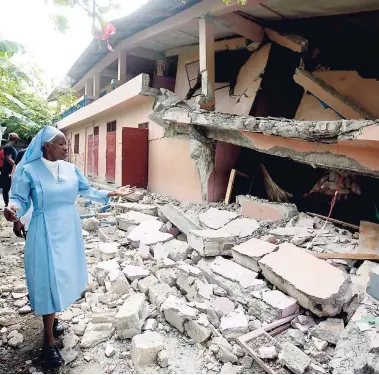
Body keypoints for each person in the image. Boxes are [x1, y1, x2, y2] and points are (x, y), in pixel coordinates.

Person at [4, 126, 135, 370]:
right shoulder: (29, 171)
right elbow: (19, 201)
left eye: (67, 144)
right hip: (44, 229)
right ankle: (48, 346)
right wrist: (14, 212)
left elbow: (87, 191)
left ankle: (50, 321)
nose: (67, 147)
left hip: (69, 229)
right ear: (46, 146)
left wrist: (112, 192)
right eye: (62, 143)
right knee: (48, 279)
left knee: (62, 276)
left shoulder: (71, 170)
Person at [0, 133, 19, 206]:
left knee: (8, 188)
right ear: (15, 138)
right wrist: (17, 167)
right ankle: (7, 204)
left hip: (9, 171)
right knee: (6, 188)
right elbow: (8, 159)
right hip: (7, 171)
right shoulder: (8, 147)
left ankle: (8, 204)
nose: (18, 140)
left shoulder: (10, 147)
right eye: (17, 138)